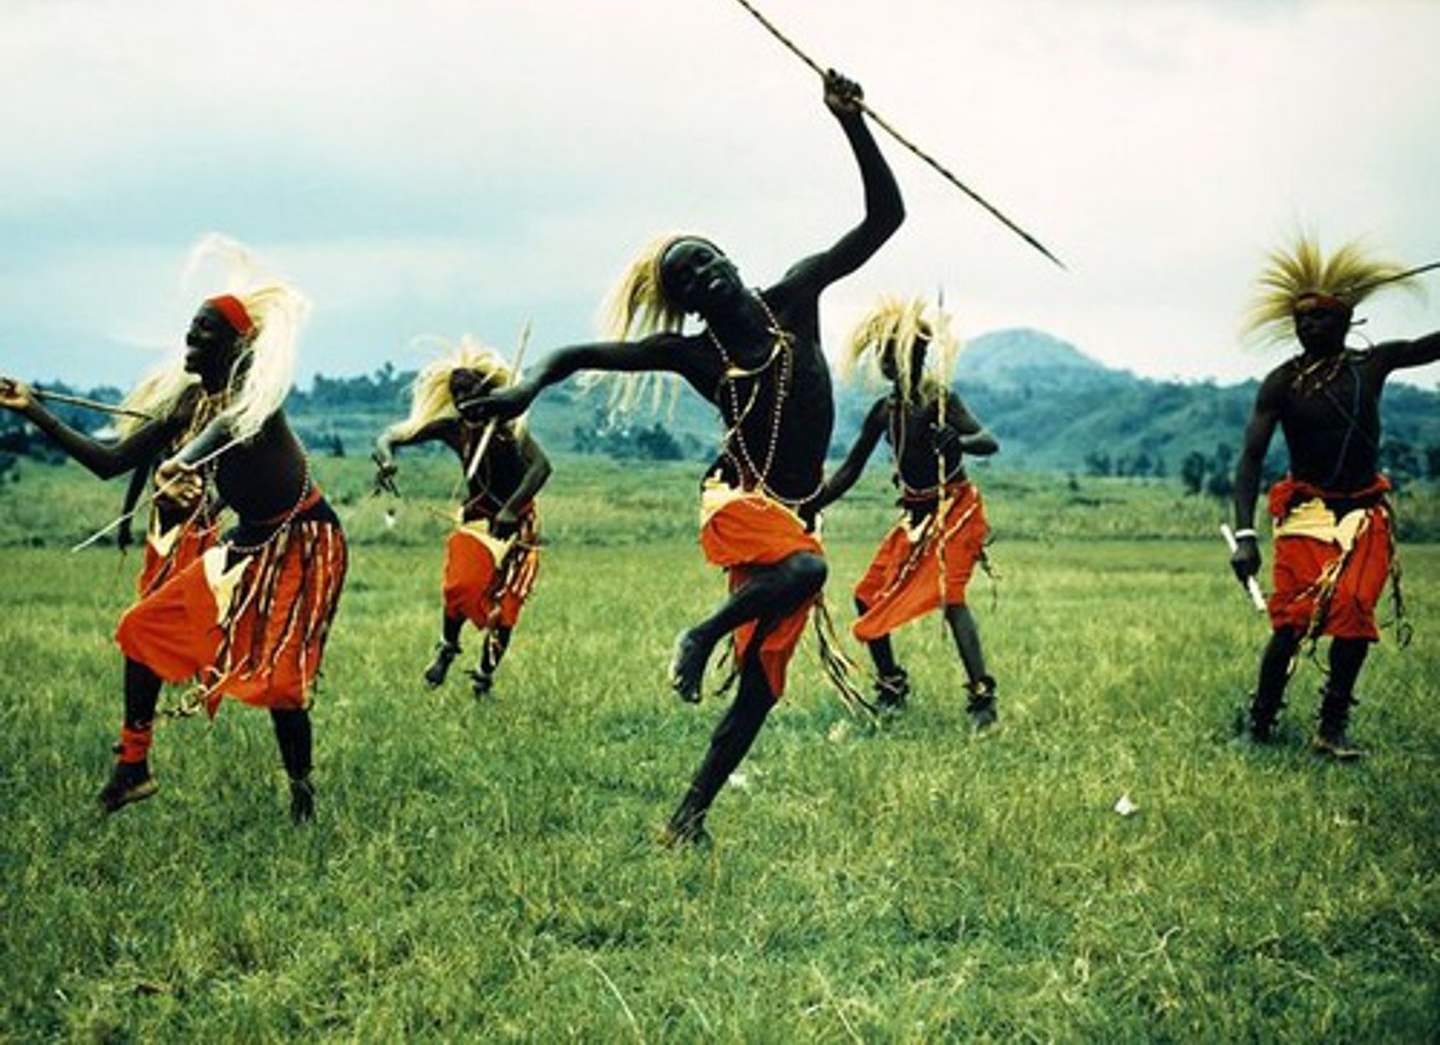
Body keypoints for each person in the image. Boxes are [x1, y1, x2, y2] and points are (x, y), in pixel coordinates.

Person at [468, 69, 903, 847]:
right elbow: (577, 353)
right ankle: (699, 637)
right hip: (737, 500)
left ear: (731, 262)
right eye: (688, 277)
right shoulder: (694, 355)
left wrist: (850, 122)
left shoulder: (796, 296)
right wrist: (525, 389)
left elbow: (885, 217)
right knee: (807, 572)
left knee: (763, 690)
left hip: (792, 514)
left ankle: (686, 819)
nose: (705, 274)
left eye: (708, 259)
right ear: (691, 302)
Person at [1, 235, 347, 820]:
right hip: (247, 540)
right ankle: (132, 767)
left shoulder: (253, 399)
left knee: (280, 683)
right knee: (142, 628)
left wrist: (183, 461)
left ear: (241, 342)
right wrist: (32, 408)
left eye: (205, 330)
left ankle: (303, 799)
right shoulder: (189, 402)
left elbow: (230, 426)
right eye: (190, 327)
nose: (191, 338)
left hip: (304, 540)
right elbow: (110, 462)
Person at [1229, 236, 1439, 759]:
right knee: (1292, 624)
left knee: (1352, 611)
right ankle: (1260, 720)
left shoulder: (1372, 366)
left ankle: (1332, 726)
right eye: (1301, 318)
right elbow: (1251, 458)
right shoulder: (1281, 383)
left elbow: (1432, 346)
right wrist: (1247, 535)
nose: (1308, 326)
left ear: (1344, 319)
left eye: (1319, 317)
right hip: (1307, 512)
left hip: (1364, 512)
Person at [811, 295, 999, 723]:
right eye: (885, 355)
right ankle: (892, 685)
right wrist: (814, 502)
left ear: (917, 356)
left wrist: (958, 439)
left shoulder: (941, 400)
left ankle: (982, 699)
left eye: (898, 354)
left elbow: (988, 440)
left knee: (951, 597)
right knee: (866, 596)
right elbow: (850, 469)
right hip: (915, 518)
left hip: (954, 509)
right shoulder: (884, 413)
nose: (890, 363)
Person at [372, 337, 551, 697]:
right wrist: (387, 457)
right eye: (456, 392)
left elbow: (541, 468)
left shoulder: (509, 427)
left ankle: (483, 677)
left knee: (505, 607)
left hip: (517, 523)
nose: (462, 399)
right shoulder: (454, 428)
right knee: (459, 586)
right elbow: (392, 434)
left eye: (469, 390)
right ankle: (447, 647)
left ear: (488, 390)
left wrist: (511, 508)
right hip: (477, 519)